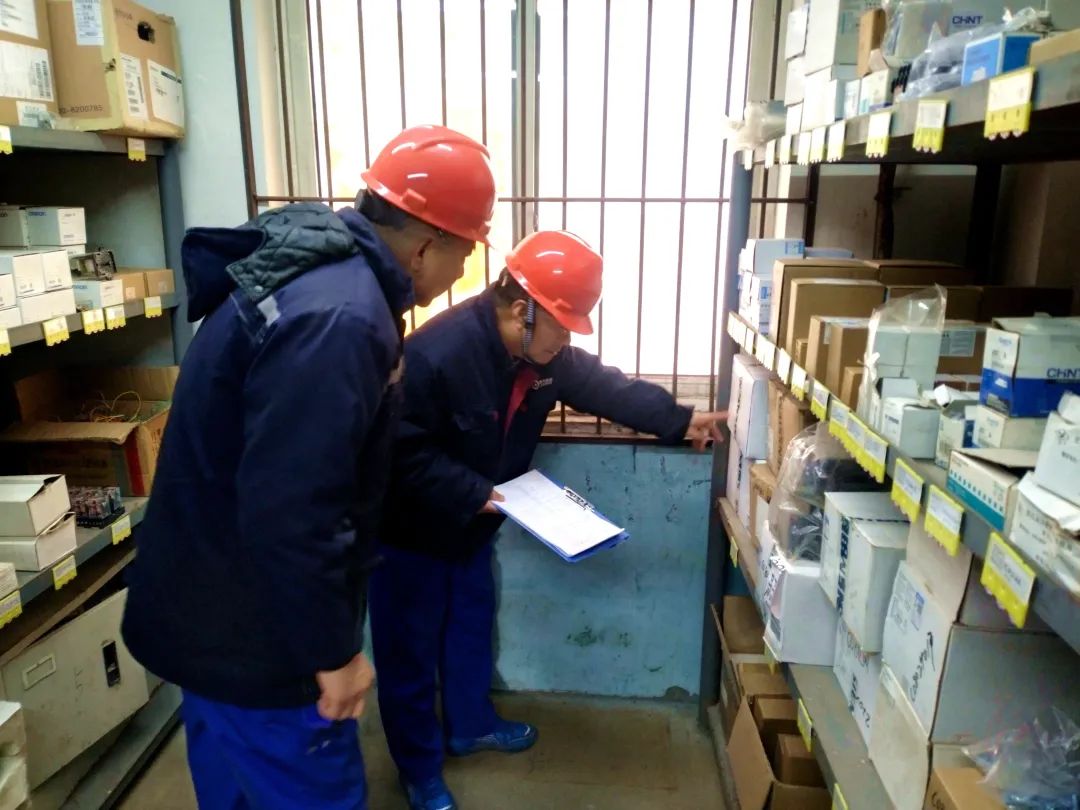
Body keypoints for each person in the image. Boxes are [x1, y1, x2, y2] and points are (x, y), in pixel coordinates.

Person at [121, 125, 496, 810]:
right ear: (425, 246)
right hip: (261, 640)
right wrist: (333, 653)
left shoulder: (316, 270)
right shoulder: (343, 319)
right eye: (465, 254)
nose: (461, 277)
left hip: (208, 611)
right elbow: (295, 507)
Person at [369, 230, 726, 810]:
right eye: (563, 326)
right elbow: (398, 451)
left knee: (468, 625)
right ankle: (419, 769)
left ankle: (469, 726)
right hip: (410, 531)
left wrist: (680, 420)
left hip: (473, 526)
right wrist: (473, 491)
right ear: (522, 311)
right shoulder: (437, 354)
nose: (568, 340)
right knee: (408, 653)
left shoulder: (543, 355)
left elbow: (606, 388)